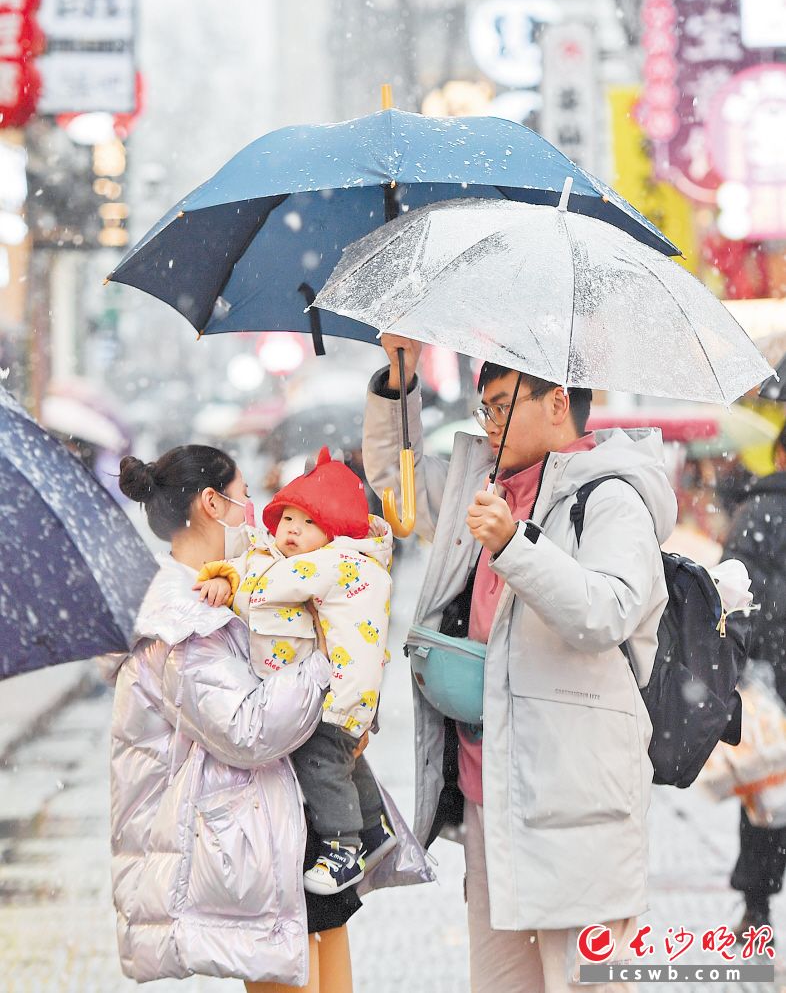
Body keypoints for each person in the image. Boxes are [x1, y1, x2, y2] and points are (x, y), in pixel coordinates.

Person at [363, 335, 678, 993]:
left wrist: (514, 544)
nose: (491, 425)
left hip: (575, 801)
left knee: (585, 982)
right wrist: (399, 380)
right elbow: (401, 487)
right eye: (485, 409)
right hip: (492, 793)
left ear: (558, 402)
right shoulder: (486, 483)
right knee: (501, 984)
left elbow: (607, 611)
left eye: (502, 407)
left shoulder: (611, 497)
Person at [104, 443, 356, 992]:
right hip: (249, 846)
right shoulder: (181, 620)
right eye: (245, 497)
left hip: (287, 827)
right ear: (211, 504)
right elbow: (248, 730)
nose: (253, 512)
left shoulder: (231, 588)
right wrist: (329, 663)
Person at [196, 447, 396, 896]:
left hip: (339, 695)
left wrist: (229, 584)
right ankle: (374, 829)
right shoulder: (351, 559)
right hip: (354, 691)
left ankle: (343, 848)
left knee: (320, 761)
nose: (292, 531)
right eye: (287, 518)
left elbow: (266, 588)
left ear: (332, 534)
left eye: (309, 524)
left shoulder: (334, 563)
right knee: (345, 759)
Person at [723, 422, 786, 936]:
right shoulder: (757, 511)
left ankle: (757, 906)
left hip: (769, 674)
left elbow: (735, 600)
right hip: (773, 671)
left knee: (770, 790)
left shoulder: (754, 512)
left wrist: (740, 666)